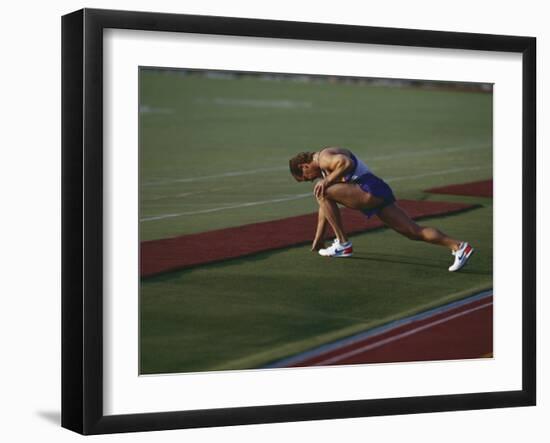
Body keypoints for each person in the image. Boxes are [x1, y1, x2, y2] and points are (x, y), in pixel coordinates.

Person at [288, 147, 474, 271]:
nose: (310, 179)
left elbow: (346, 163)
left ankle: (343, 244)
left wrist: (327, 180)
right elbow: (325, 207)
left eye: (306, 177)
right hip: (377, 191)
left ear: (303, 166)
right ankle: (459, 247)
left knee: (322, 188)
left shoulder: (323, 157)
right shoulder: (323, 169)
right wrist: (319, 238)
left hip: (369, 189)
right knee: (413, 231)